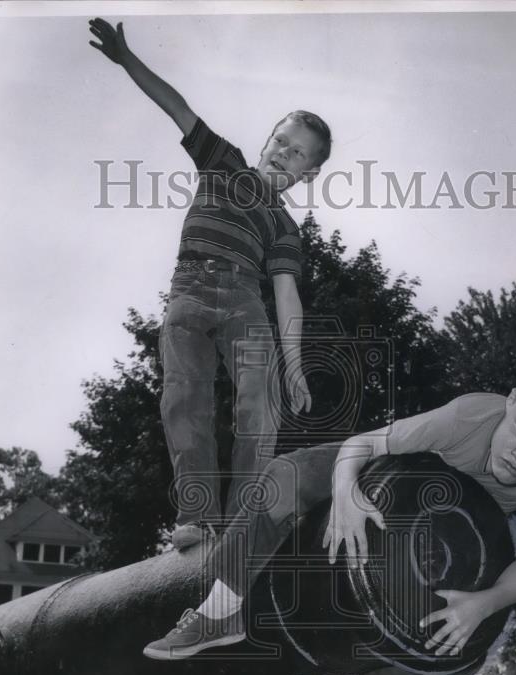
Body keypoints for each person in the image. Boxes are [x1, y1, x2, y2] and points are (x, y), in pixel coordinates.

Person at [143, 352, 516, 675]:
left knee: (474, 642)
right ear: (511, 399)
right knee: (284, 476)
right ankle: (219, 610)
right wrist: (346, 492)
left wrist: (485, 604)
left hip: (469, 530)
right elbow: (364, 443)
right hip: (389, 467)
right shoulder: (468, 417)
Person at [88, 18, 329, 549]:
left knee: (259, 401)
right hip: (190, 290)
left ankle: (244, 517)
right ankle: (196, 515)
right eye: (280, 141)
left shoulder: (286, 227)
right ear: (266, 140)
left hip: (245, 301)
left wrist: (294, 366)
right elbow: (176, 106)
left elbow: (287, 297)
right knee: (185, 397)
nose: (282, 153)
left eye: (296, 153)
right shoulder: (224, 163)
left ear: (308, 174)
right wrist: (127, 59)